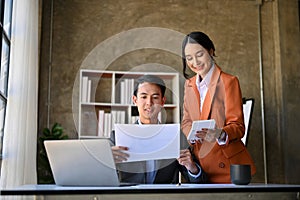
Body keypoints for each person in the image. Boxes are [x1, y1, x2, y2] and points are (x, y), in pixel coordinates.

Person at [181, 31, 256, 183]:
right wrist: (193, 135)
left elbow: (238, 126)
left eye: (199, 54)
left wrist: (219, 134)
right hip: (200, 166)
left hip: (228, 166)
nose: (195, 62)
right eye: (189, 58)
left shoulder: (229, 82)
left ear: (211, 51)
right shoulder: (189, 85)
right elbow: (186, 122)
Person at [110, 74, 207, 184]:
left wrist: (191, 167)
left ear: (162, 101)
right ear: (135, 100)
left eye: (155, 97)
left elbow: (198, 181)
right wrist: (107, 162)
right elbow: (102, 178)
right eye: (144, 97)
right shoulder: (117, 137)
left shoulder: (176, 136)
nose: (149, 103)